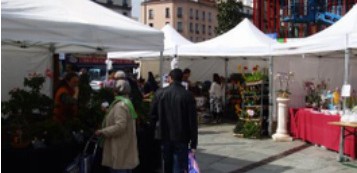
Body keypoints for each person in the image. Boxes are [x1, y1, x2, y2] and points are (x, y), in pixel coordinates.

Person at [150, 69, 198, 173]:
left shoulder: (160, 93)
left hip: (164, 134)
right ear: (182, 79)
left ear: (170, 78)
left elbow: (152, 115)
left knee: (167, 165)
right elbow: (193, 121)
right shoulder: (187, 95)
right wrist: (194, 143)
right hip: (182, 136)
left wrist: (153, 133)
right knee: (179, 166)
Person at [95, 80, 139, 173]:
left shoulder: (120, 105)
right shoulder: (127, 103)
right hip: (124, 146)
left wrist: (103, 131)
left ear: (115, 91)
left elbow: (120, 126)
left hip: (119, 148)